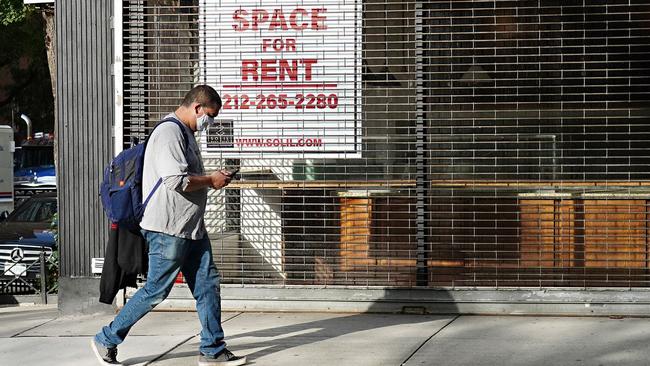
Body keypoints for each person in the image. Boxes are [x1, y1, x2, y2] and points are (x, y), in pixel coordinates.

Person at [91, 85, 247, 366]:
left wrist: (212, 178)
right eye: (209, 116)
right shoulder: (169, 132)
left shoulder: (184, 133)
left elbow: (186, 177)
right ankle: (106, 338)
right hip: (168, 228)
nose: (209, 123)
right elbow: (176, 180)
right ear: (197, 108)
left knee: (207, 284)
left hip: (189, 227)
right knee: (156, 290)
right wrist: (211, 180)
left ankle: (212, 349)